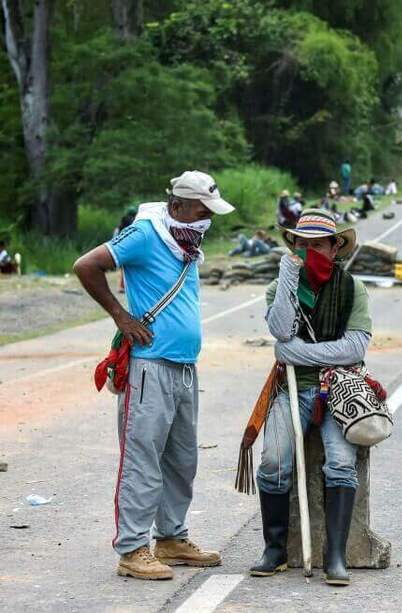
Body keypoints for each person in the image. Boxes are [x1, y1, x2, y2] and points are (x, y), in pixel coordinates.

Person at [72, 170, 235, 580]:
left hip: (183, 366)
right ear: (178, 206)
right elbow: (86, 265)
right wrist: (120, 315)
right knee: (142, 458)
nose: (206, 220)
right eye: (201, 211)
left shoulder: (186, 242)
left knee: (181, 459)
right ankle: (131, 548)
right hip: (149, 366)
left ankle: (171, 537)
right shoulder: (147, 234)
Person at [251, 210, 372, 587]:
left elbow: (354, 348)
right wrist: (288, 277)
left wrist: (295, 353)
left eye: (317, 244)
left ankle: (334, 555)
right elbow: (281, 329)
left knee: (339, 462)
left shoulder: (353, 288)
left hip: (340, 387)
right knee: (272, 460)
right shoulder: (280, 286)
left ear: (335, 247)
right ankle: (275, 550)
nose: (309, 251)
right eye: (302, 245)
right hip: (291, 387)